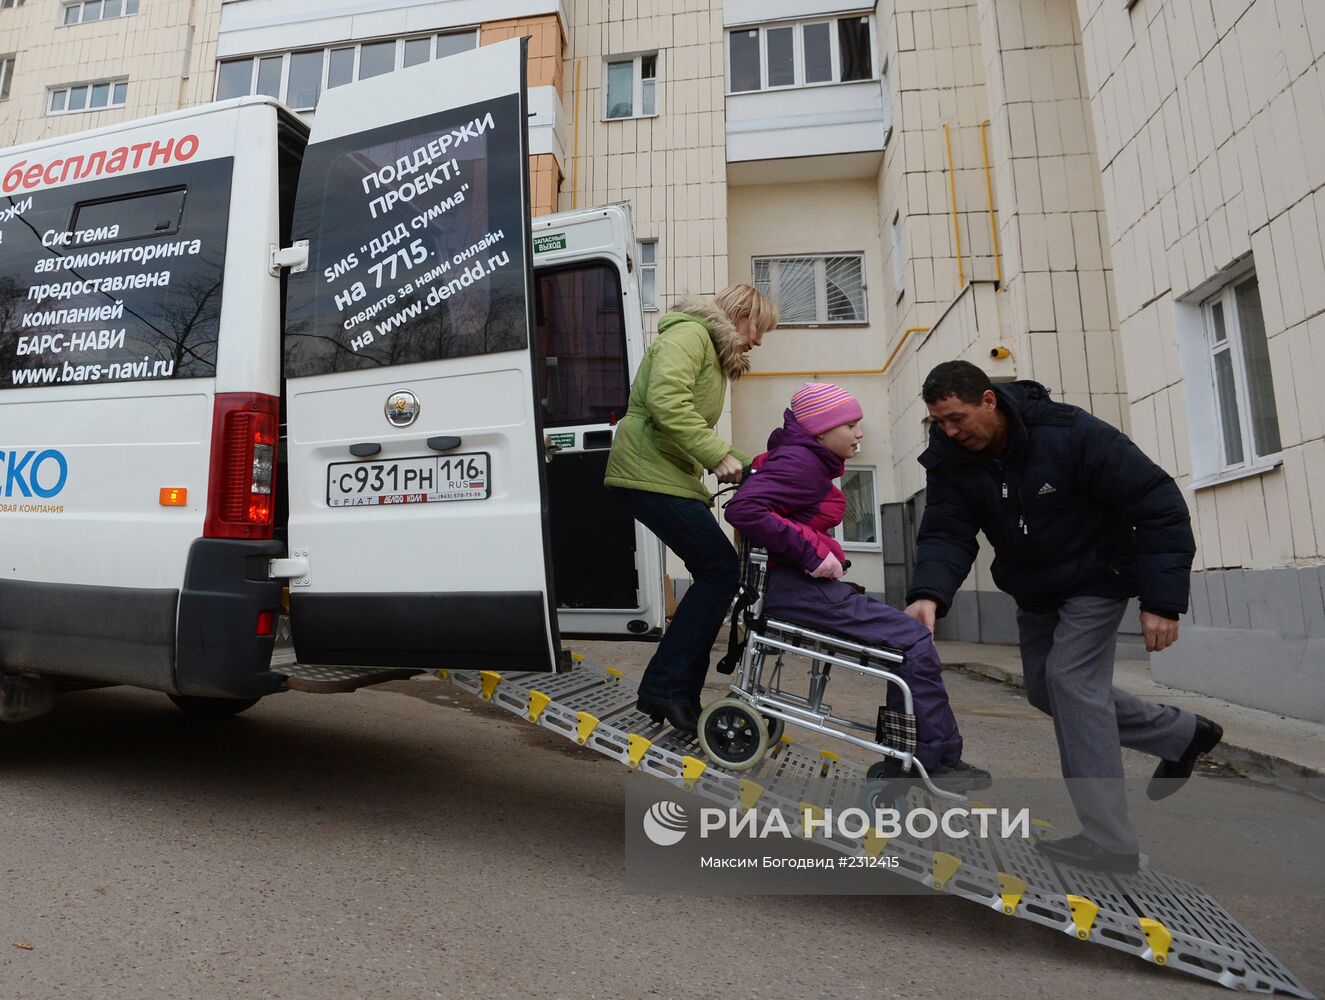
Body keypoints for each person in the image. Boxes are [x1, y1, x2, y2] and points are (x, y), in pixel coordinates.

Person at [904, 360, 1223, 873]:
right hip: (1035, 589)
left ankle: (1108, 841)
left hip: (1097, 576)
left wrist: (1162, 601)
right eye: (939, 422)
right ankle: (1181, 734)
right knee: (1044, 689)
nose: (950, 431)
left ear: (989, 400)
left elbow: (1157, 501)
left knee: (1072, 683)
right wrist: (929, 593)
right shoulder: (951, 458)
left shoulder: (1069, 433)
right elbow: (946, 529)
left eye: (957, 418)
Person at [724, 382, 991, 794]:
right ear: (820, 432)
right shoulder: (800, 464)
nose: (859, 433)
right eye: (850, 424)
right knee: (913, 640)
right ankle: (929, 758)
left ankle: (918, 754)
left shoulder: (806, 462)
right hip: (802, 593)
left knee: (905, 642)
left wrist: (810, 548)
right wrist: (812, 552)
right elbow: (743, 509)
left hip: (801, 590)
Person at [605, 284, 779, 735]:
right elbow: (667, 402)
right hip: (646, 469)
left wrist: (755, 465)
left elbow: (694, 426)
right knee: (720, 571)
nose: (759, 341)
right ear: (741, 314)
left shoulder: (709, 349)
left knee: (718, 574)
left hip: (665, 473)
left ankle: (680, 692)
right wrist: (716, 455)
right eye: (759, 329)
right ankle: (665, 687)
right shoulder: (690, 335)